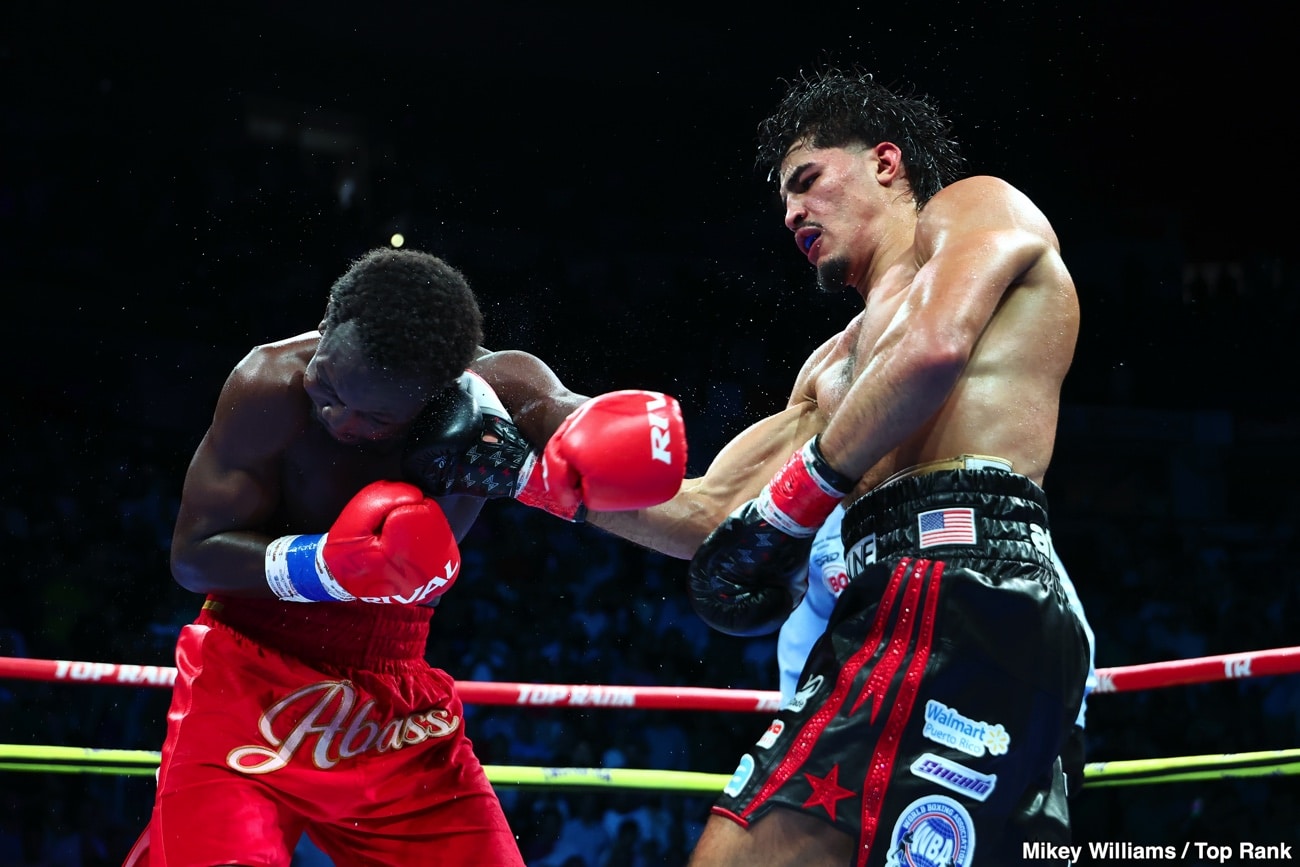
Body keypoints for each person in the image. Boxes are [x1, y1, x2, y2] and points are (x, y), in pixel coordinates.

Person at [586, 67, 1091, 865]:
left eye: (807, 181)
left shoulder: (974, 208)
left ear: (885, 163)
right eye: (784, 201)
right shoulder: (835, 368)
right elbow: (715, 512)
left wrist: (800, 494)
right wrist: (538, 479)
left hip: (961, 575)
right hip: (906, 596)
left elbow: (934, 349)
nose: (792, 213)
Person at [124, 247, 687, 866]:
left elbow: (578, 425)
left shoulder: (498, 390)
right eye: (327, 384)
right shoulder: (268, 385)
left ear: (434, 396)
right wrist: (328, 567)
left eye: (375, 418)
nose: (338, 416)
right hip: (246, 675)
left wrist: (563, 458)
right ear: (327, 322)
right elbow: (193, 555)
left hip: (393, 698)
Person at [779, 509, 1098, 798]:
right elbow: (808, 626)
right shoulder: (822, 526)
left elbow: (1058, 608)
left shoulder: (972, 500)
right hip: (877, 719)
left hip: (983, 708)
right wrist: (793, 721)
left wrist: (1072, 723)